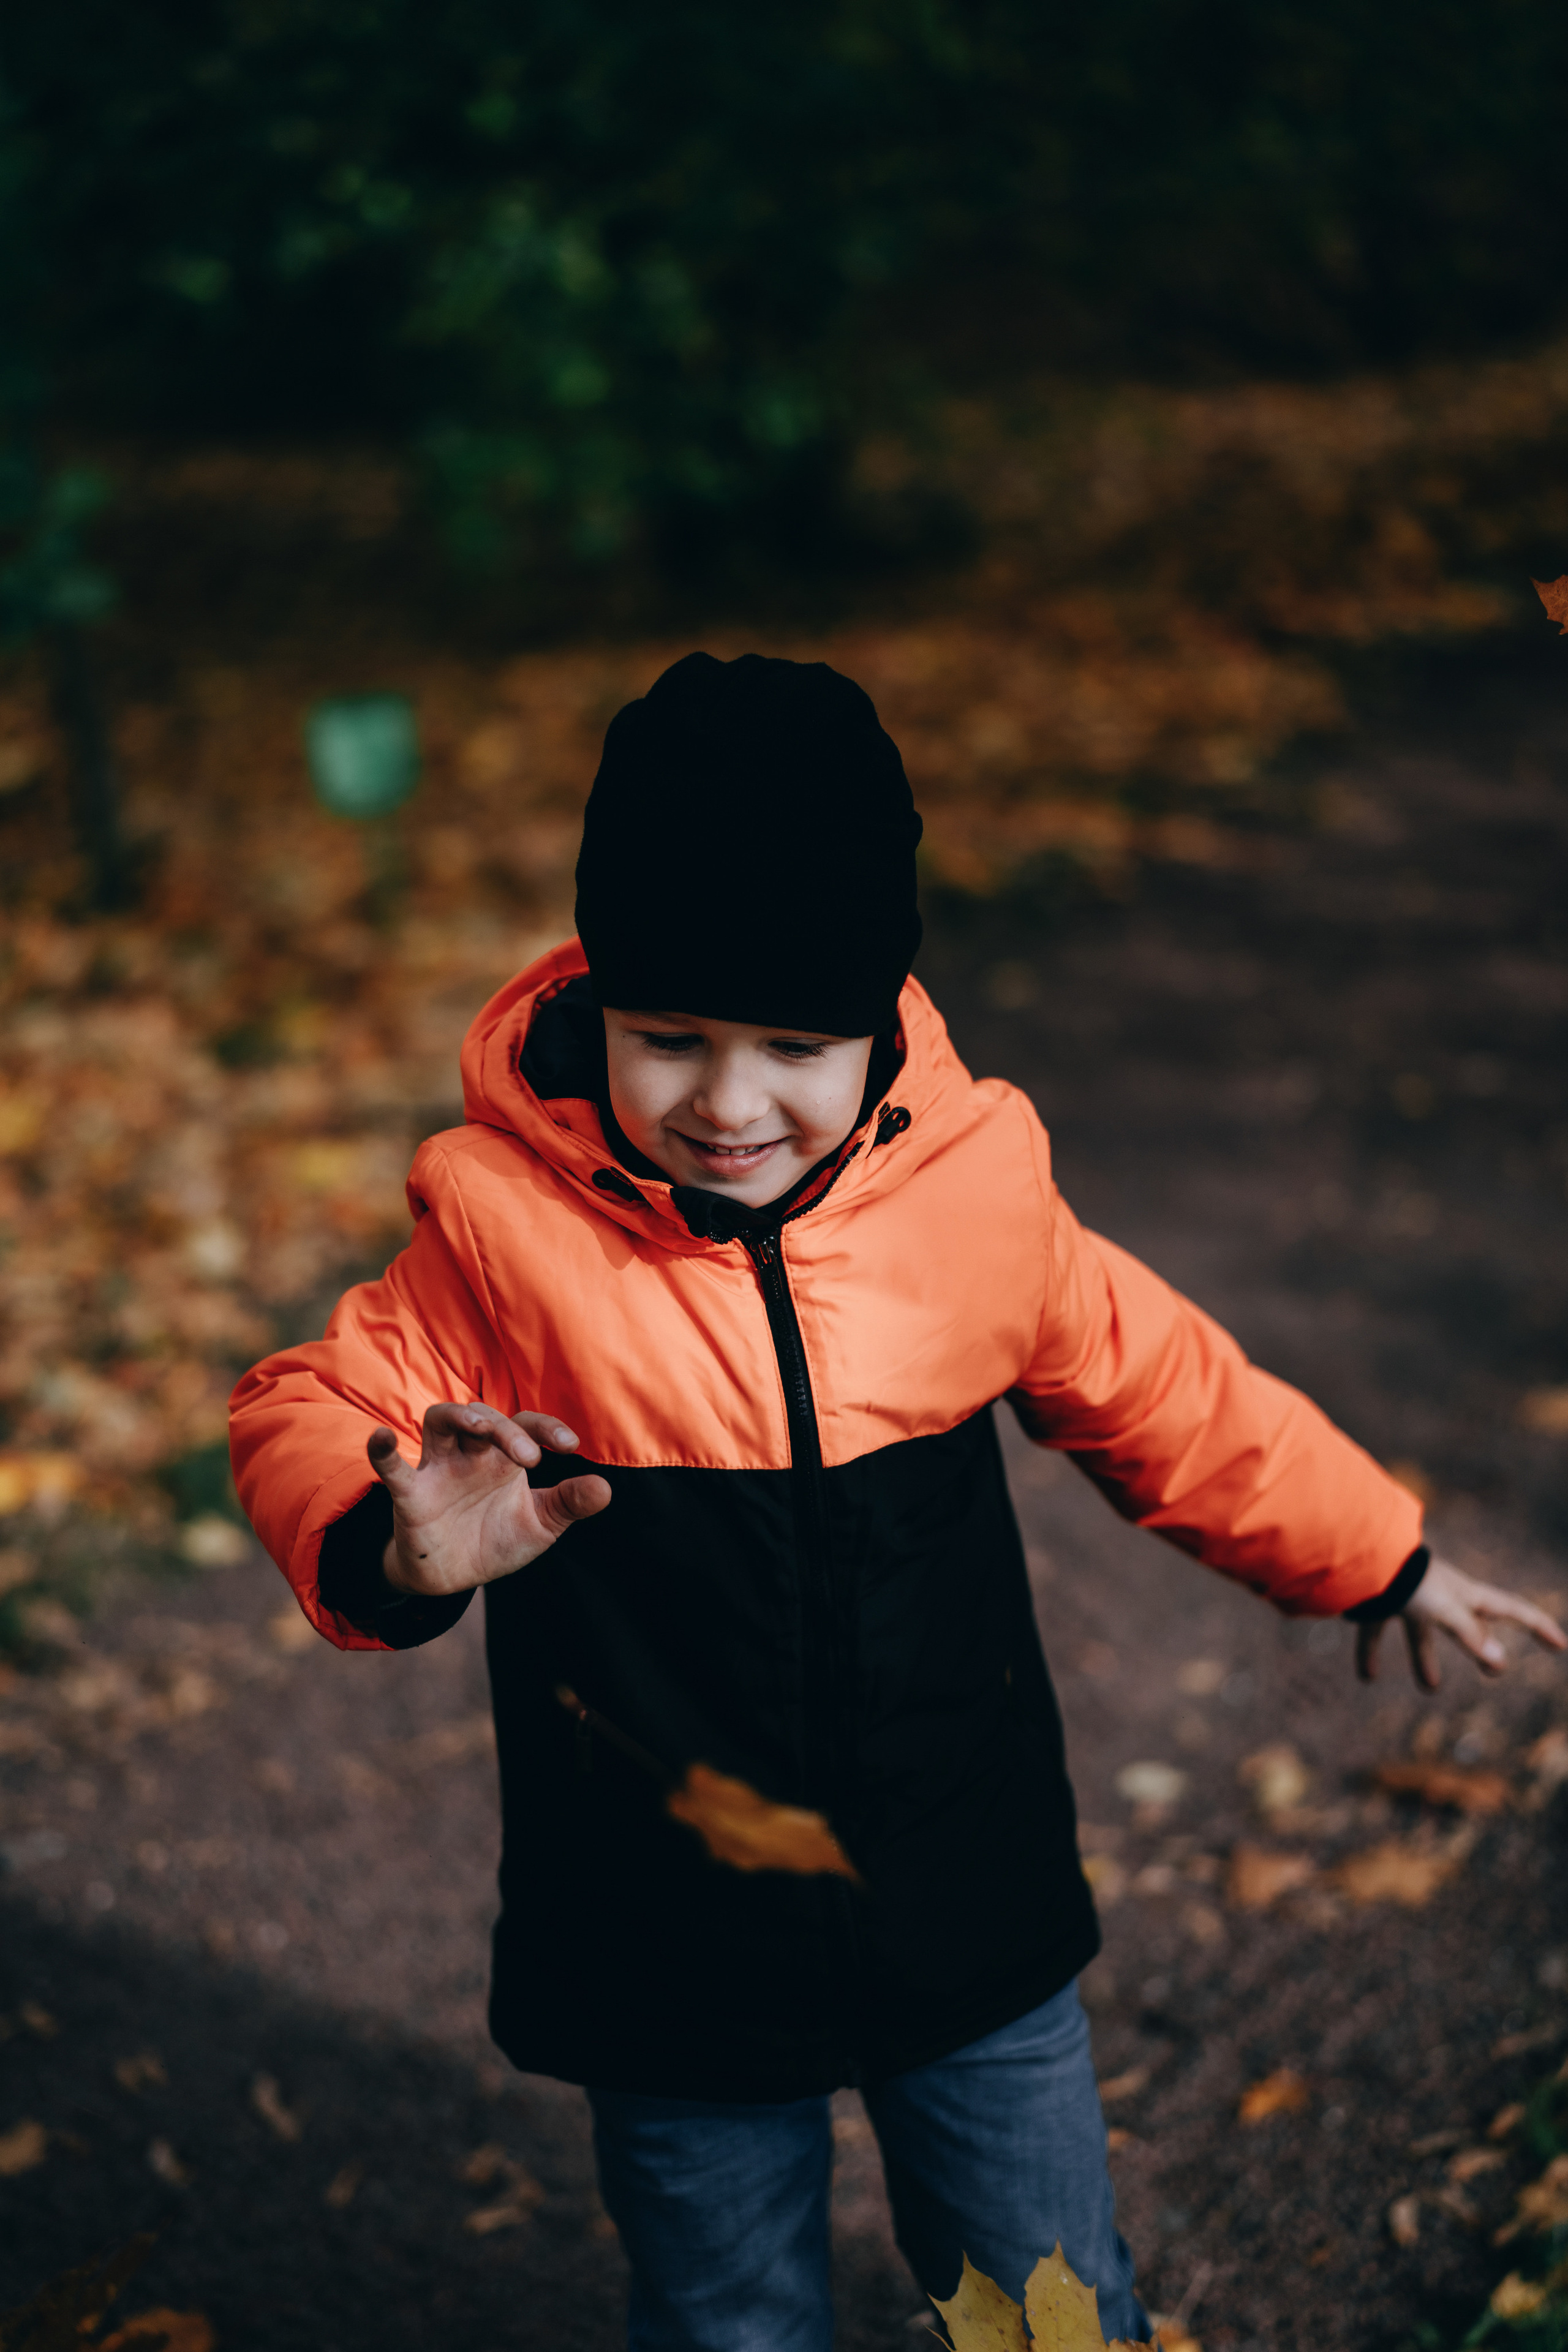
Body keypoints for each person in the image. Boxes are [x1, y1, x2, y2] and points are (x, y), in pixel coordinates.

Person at [230, 652, 1564, 2352]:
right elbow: (305, 1400)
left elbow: (1164, 1385)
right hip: (664, 1932)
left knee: (1045, 2306)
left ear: (880, 1016)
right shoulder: (510, 1236)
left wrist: (1379, 1552)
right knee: (728, 2322)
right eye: (670, 1039)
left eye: (795, 1045)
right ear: (599, 1003)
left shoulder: (971, 1192)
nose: (728, 1101)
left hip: (965, 1895)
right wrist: (390, 1536)